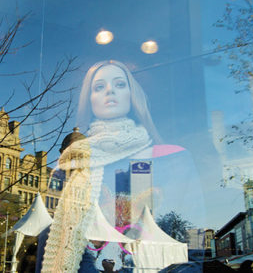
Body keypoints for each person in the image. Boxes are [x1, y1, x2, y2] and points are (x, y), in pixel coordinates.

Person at [40, 60, 205, 272]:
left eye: (119, 84)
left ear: (131, 94)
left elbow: (192, 244)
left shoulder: (173, 159)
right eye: (99, 87)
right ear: (89, 100)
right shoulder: (71, 166)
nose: (109, 91)